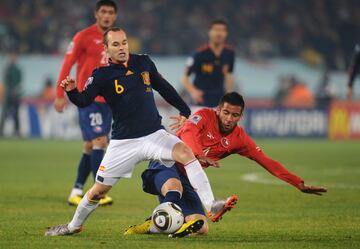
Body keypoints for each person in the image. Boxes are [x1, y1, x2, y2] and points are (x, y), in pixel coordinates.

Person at [45, 28, 236, 237]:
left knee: (186, 153)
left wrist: (185, 110)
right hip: (123, 142)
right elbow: (83, 101)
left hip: (154, 134)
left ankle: (212, 205)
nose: (122, 48)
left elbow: (164, 87)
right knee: (99, 190)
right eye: (116, 44)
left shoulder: (143, 63)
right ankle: (73, 226)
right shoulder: (101, 75)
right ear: (106, 49)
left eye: (124, 43)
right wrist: (72, 90)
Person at [125, 92, 327, 236]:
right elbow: (188, 133)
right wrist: (196, 155)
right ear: (219, 110)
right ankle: (167, 216)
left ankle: (155, 224)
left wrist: (298, 183)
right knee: (174, 187)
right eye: (226, 113)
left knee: (201, 227)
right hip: (164, 164)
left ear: (241, 116)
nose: (229, 119)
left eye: (235, 115)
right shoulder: (203, 115)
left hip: (189, 178)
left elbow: (267, 162)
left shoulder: (240, 139)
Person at [54, 0, 117, 206]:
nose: (107, 16)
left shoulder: (116, 38)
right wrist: (60, 93)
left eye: (110, 12)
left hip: (108, 101)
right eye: (103, 12)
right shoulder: (83, 36)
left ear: (114, 16)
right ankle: (98, 190)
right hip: (87, 98)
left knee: (91, 145)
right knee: (100, 141)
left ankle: (76, 189)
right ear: (96, 14)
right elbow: (68, 63)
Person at [182, 19, 235, 108]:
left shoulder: (229, 53)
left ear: (226, 33)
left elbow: (229, 74)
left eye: (222, 30)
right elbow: (184, 77)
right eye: (216, 30)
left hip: (219, 103)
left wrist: (229, 93)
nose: (219, 33)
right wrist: (193, 91)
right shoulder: (199, 54)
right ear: (209, 32)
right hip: (200, 103)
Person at [0, 51, 22, 137]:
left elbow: (20, 82)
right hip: (8, 95)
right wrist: (10, 91)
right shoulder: (7, 69)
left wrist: (15, 90)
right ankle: (1, 131)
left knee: (16, 114)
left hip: (16, 95)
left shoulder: (18, 70)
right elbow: (6, 82)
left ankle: (16, 131)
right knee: (4, 114)